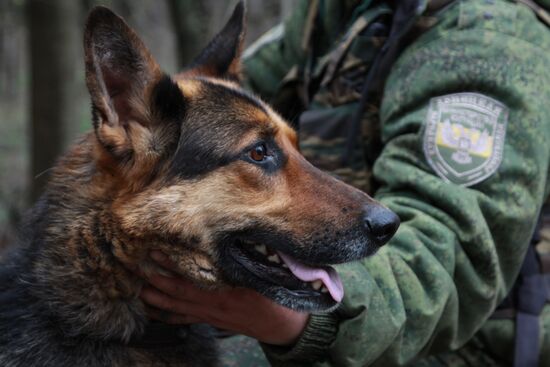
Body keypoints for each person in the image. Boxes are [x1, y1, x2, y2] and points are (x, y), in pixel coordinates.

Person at [140, 0, 550, 365]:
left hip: (460, 343)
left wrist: (297, 318)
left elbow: (448, 265)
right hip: (328, 273)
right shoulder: (340, 13)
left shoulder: (486, 42)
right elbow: (216, 112)